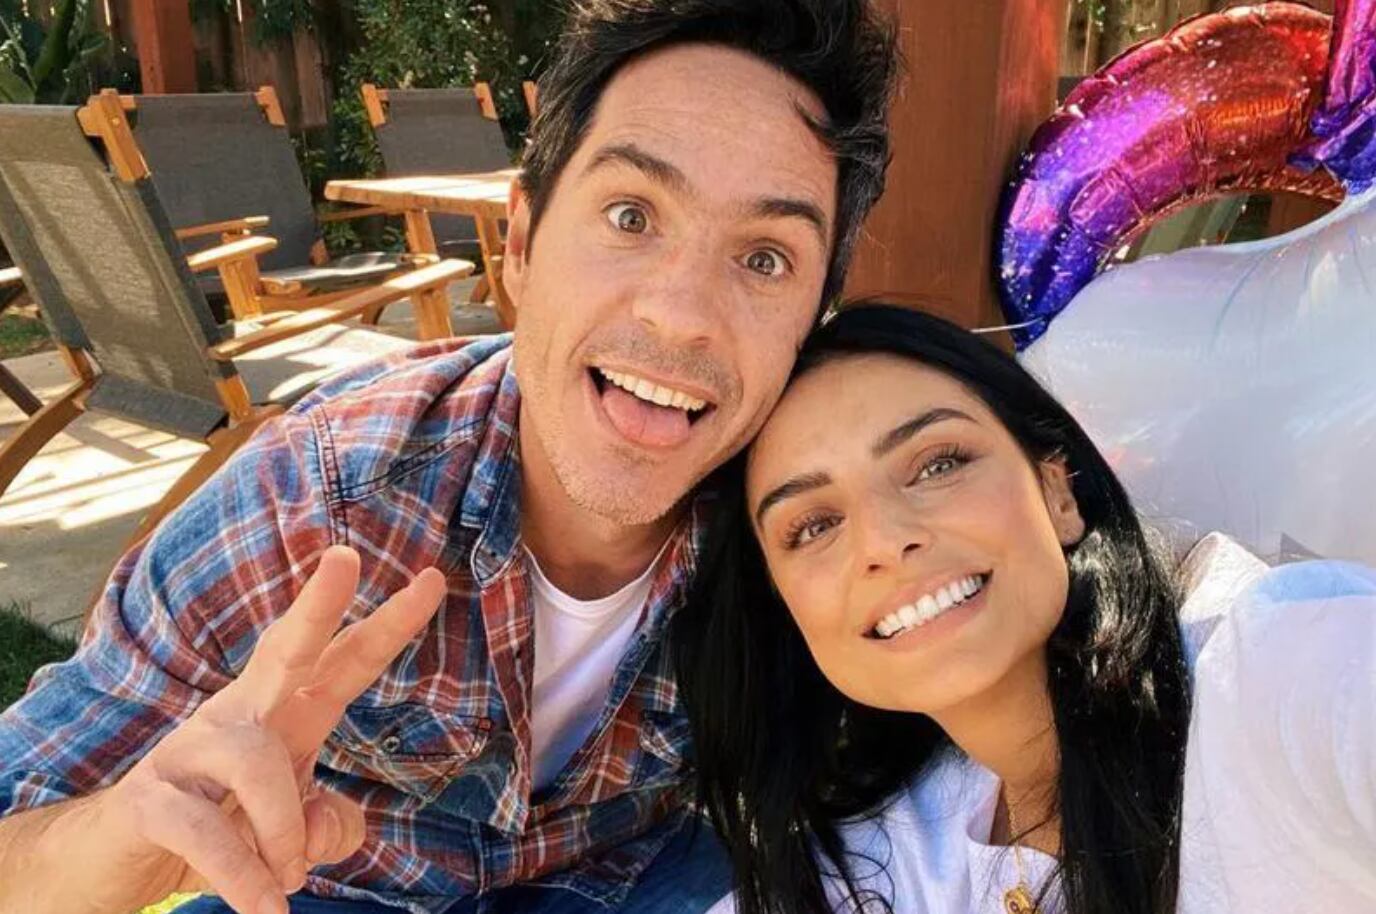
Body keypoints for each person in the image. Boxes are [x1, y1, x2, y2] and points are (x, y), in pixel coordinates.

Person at [0, 3, 900, 912]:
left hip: (625, 879)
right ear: (521, 244)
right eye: (631, 215)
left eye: (765, 259)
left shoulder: (805, 519)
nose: (682, 314)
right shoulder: (318, 501)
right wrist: (122, 840)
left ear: (812, 320)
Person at [676, 304, 1376, 914]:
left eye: (938, 464)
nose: (885, 541)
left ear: (1058, 494)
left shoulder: (1268, 675)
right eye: (814, 526)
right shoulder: (883, 852)